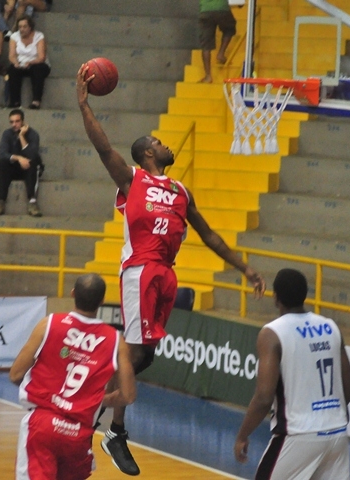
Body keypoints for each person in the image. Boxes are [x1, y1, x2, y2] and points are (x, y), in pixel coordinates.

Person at [76, 64, 266, 476]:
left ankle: (98, 413)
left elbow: (210, 235)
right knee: (134, 351)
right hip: (140, 270)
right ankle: (111, 428)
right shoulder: (132, 180)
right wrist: (84, 105)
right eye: (159, 142)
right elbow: (103, 148)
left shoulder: (181, 191)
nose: (165, 145)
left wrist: (245, 269)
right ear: (148, 152)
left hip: (166, 273)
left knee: (145, 356)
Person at [9, 273, 137, 480]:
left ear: (73, 294)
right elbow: (128, 396)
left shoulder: (49, 323)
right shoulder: (116, 340)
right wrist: (98, 400)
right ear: (102, 301)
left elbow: (15, 374)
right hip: (78, 435)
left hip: (42, 426)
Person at [234, 268, 350, 480]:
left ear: (276, 297)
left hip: (298, 435)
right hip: (337, 434)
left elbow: (264, 397)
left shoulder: (272, 333)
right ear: (305, 295)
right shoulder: (331, 327)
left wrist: (242, 435)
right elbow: (348, 391)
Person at [0, 108, 43, 216]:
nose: (14, 124)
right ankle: (0, 202)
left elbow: (31, 155)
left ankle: (32, 202)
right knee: (1, 164)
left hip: (27, 168)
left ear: (23, 121)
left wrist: (21, 136)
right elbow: (2, 154)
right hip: (12, 167)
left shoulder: (33, 134)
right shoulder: (7, 134)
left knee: (34, 164)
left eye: (17, 121)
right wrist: (19, 158)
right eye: (11, 122)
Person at [7, 14, 50, 109]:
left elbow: (41, 57)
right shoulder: (14, 36)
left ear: (30, 27)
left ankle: (36, 101)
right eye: (20, 27)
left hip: (36, 63)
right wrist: (16, 63)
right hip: (21, 64)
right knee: (12, 70)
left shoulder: (39, 36)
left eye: (24, 26)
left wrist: (30, 63)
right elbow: (11, 55)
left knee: (38, 70)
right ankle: (15, 102)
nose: (22, 29)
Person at [198, 0, 237, 84]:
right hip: (221, 8)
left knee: (206, 45)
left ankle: (208, 76)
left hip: (205, 10)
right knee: (229, 28)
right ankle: (221, 54)